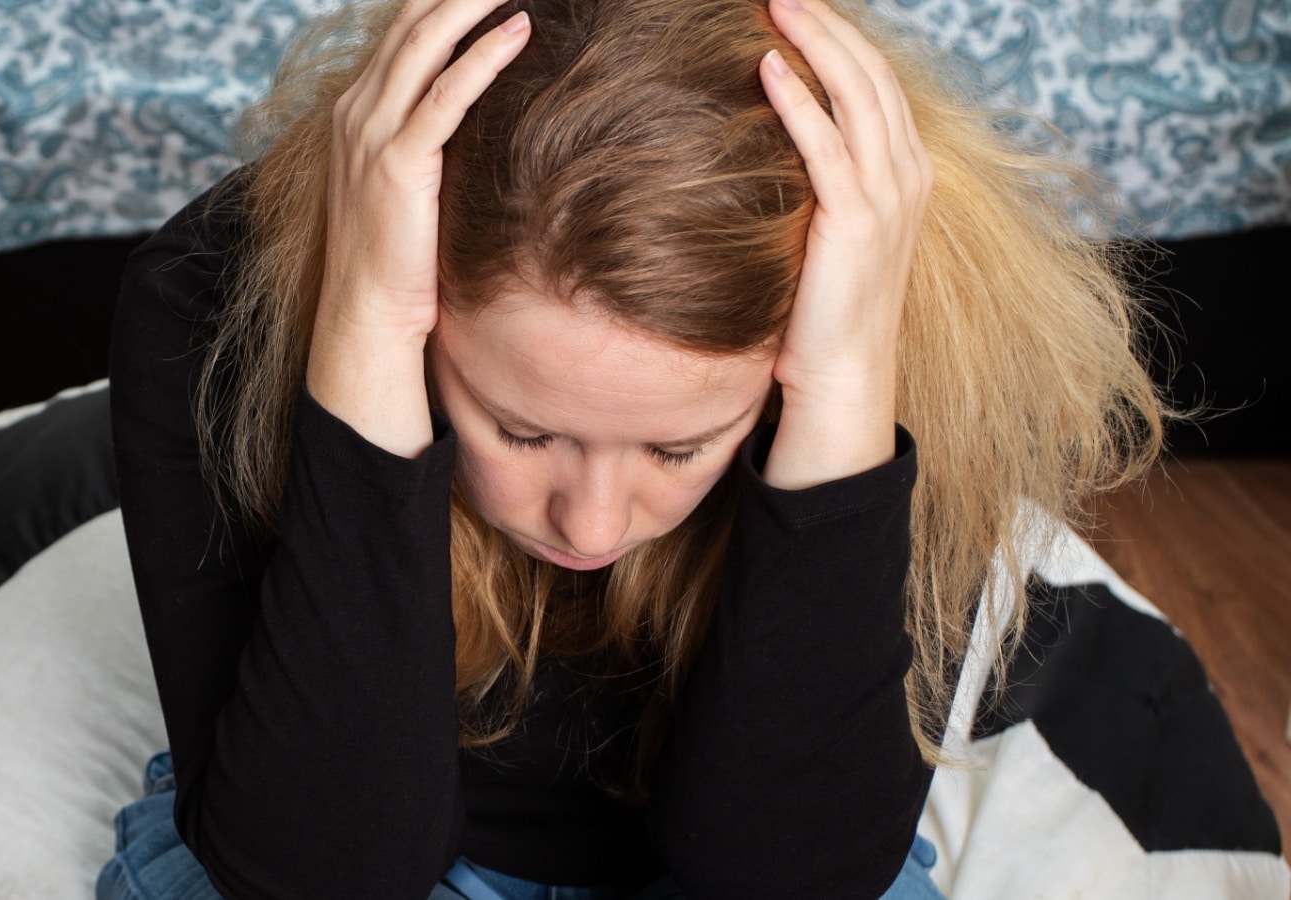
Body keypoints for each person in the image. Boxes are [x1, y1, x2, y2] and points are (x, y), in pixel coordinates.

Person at [101, 0, 1164, 896]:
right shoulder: (210, 302)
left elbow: (782, 881)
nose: (589, 524)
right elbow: (321, 873)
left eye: (678, 447)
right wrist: (367, 325)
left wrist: (842, 388)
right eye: (521, 429)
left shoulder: (930, 324)